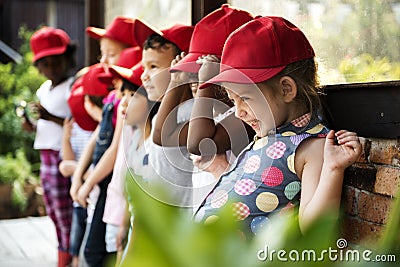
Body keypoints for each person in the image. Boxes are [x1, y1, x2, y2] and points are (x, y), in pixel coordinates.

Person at [194, 16, 362, 237]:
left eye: (245, 98)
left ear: (286, 90)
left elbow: (313, 231)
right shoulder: (269, 134)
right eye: (233, 100)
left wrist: (334, 169)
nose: (238, 112)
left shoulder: (313, 147)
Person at [168, 4, 255, 209]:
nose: (194, 78)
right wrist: (176, 82)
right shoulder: (212, 116)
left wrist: (205, 86)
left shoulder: (244, 116)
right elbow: (163, 135)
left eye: (201, 70)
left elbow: (198, 144)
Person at [23, 26, 76, 267]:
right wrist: (32, 126)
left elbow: (74, 123)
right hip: (45, 155)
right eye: (47, 64)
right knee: (53, 211)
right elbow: (46, 126)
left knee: (64, 211)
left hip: (61, 156)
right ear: (39, 67)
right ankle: (63, 252)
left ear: (68, 59)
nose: (52, 68)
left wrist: (48, 116)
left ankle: (68, 256)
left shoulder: (73, 86)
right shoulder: (44, 89)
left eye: (57, 62)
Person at [132, 20, 195, 208]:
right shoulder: (162, 112)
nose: (143, 75)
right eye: (144, 67)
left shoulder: (193, 113)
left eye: (153, 67)